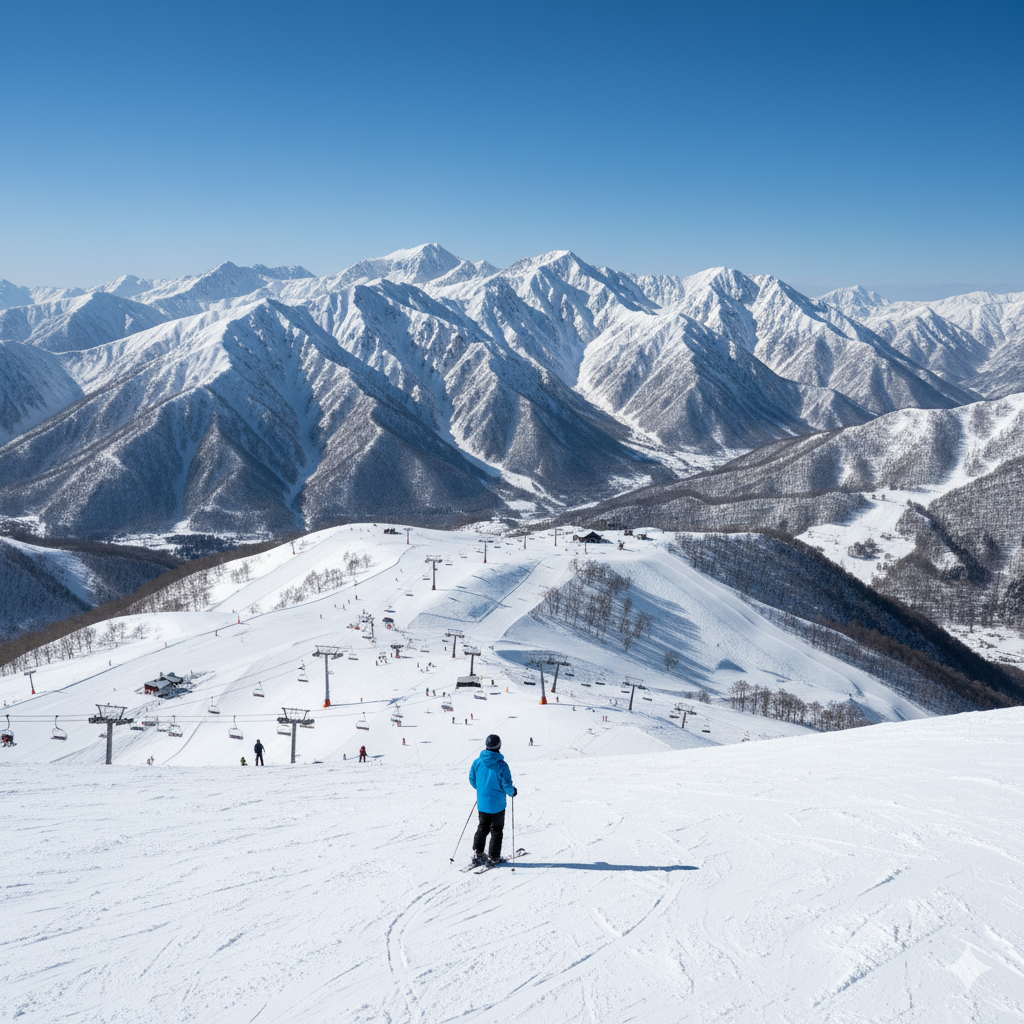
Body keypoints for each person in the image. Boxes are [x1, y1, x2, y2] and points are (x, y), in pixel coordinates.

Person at [468, 734, 516, 867]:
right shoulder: (502, 765)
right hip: (497, 805)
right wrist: (513, 792)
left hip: (483, 803)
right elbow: (506, 785)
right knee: (496, 830)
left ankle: (478, 854)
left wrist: (482, 790)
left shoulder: (477, 762)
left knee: (482, 827)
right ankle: (494, 857)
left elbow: (472, 779)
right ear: (499, 746)